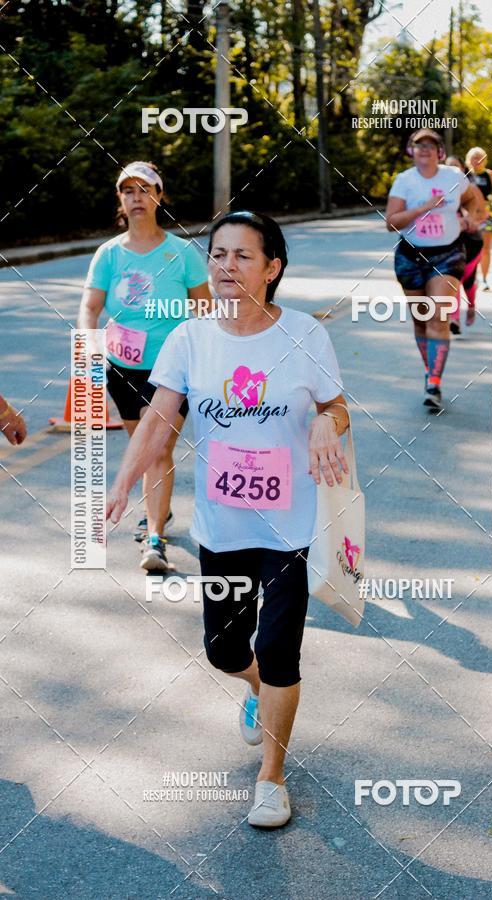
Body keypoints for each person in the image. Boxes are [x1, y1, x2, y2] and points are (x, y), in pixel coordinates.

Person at [106, 211, 350, 829]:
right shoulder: (190, 339)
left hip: (290, 525)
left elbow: (335, 407)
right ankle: (255, 689)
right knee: (224, 651)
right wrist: (123, 482)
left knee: (279, 650)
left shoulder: (303, 336)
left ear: (272, 268)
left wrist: (328, 422)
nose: (226, 267)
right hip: (223, 526)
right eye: (217, 255)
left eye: (243, 256)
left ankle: (272, 778)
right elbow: (160, 418)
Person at [78, 161, 211, 571]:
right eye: (128, 191)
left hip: (173, 370)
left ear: (159, 196)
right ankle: (161, 511)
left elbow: (204, 308)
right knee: (143, 447)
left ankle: (154, 537)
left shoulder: (182, 252)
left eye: (144, 190)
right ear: (121, 199)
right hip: (123, 366)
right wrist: (90, 342)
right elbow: (91, 305)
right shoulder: (108, 254)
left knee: (159, 448)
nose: (136, 198)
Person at [386, 130, 485, 408]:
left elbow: (471, 200)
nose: (425, 149)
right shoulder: (404, 181)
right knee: (420, 321)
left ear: (440, 151)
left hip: (447, 254)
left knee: (438, 317)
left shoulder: (453, 177)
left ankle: (434, 383)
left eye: (431, 145)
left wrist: (468, 216)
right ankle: (430, 371)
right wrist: (424, 208)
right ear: (411, 150)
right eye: (419, 145)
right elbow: (391, 222)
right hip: (410, 256)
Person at [446, 157, 484, 335]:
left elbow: (482, 213)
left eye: (456, 166)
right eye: (448, 166)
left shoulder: (471, 189)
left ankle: (471, 306)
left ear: (463, 168)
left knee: (467, 281)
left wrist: (470, 221)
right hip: (450, 243)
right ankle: (454, 319)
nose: (452, 169)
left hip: (471, 242)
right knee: (454, 279)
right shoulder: (440, 189)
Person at [465, 147, 492, 290]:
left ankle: (484, 279)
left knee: (485, 247)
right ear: (469, 160)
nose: (477, 161)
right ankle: (470, 276)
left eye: (480, 158)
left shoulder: (490, 175)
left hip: (487, 215)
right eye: (474, 158)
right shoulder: (464, 175)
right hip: (468, 215)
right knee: (468, 247)